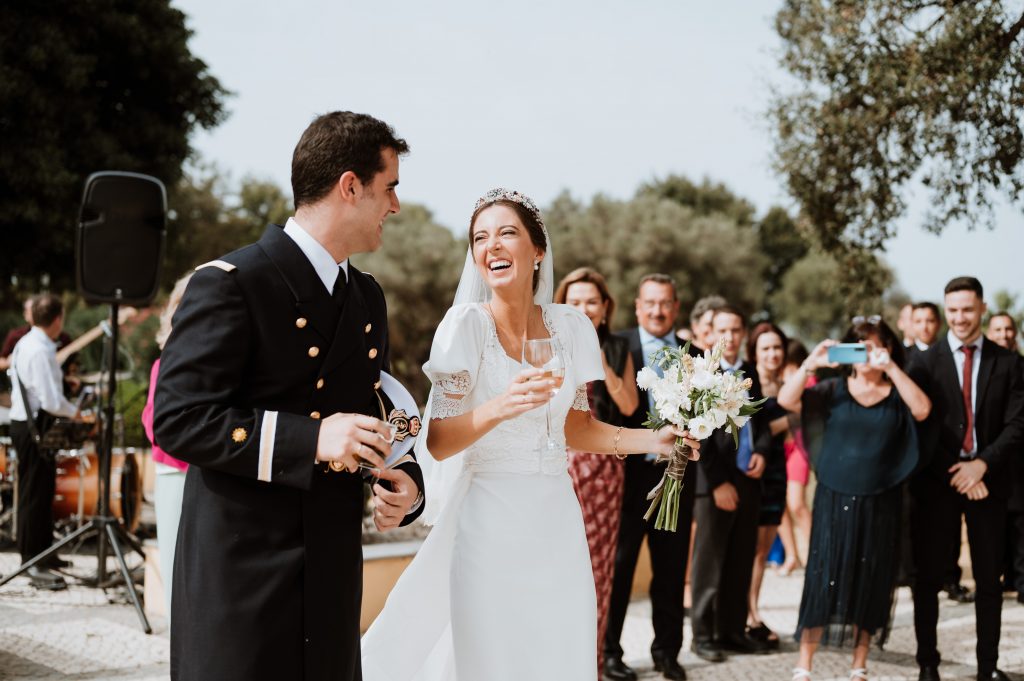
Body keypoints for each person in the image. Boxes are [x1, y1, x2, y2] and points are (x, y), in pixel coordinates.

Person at [361, 189, 699, 681]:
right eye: (480, 238)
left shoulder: (570, 327)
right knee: (493, 653)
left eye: (507, 233)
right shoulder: (466, 326)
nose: (492, 246)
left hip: (556, 516)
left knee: (555, 649)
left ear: (538, 250)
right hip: (487, 517)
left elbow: (577, 426)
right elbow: (438, 440)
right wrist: (501, 406)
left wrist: (652, 440)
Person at [153, 112, 425, 681]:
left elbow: (376, 407)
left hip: (330, 572)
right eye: (389, 187)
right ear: (350, 186)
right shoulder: (231, 282)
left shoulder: (366, 297)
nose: (396, 206)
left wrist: (404, 480)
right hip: (242, 573)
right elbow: (178, 418)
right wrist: (312, 438)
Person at [779, 317, 930, 681]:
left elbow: (923, 409)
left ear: (889, 349)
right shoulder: (831, 389)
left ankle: (859, 664)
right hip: (834, 497)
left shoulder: (897, 391)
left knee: (872, 578)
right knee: (823, 576)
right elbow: (786, 399)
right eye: (859, 346)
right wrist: (812, 362)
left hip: (882, 500)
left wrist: (890, 368)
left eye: (875, 346)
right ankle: (805, 663)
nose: (866, 354)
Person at [907, 277, 1024, 681]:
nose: (959, 318)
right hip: (937, 483)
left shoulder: (1008, 362)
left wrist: (982, 465)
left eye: (967, 310)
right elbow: (921, 426)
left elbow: (1018, 423)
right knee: (928, 579)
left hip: (988, 483)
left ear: (982, 309)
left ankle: (988, 668)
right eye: (953, 310)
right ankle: (927, 665)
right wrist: (957, 471)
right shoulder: (923, 363)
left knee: (989, 581)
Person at [605, 274, 697, 681]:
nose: (658, 311)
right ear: (638, 306)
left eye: (665, 303)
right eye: (651, 303)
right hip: (626, 476)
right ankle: (610, 653)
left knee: (671, 570)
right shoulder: (617, 346)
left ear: (676, 307)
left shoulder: (696, 356)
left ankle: (667, 653)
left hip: (677, 476)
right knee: (619, 567)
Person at [555, 267, 640, 678]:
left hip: (605, 469)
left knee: (597, 570)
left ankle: (590, 667)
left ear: (605, 308)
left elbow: (629, 406)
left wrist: (599, 359)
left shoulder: (619, 347)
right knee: (559, 567)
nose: (584, 309)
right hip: (557, 466)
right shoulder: (546, 342)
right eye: (575, 302)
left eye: (592, 302)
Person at [689, 305, 773, 662]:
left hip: (749, 479)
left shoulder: (749, 372)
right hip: (715, 483)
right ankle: (703, 635)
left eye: (736, 329)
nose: (730, 336)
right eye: (723, 330)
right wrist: (718, 482)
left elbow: (761, 422)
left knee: (740, 559)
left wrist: (763, 452)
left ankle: (733, 631)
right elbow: (699, 434)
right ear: (709, 334)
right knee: (709, 563)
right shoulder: (701, 374)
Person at [7, 293, 80, 590]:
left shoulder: (32, 343)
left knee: (44, 488)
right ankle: (30, 559)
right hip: (31, 426)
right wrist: (76, 412)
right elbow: (50, 400)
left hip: (32, 424)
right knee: (32, 494)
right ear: (58, 319)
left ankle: (45, 552)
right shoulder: (38, 350)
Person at [140, 273, 192, 617]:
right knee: (178, 571)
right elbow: (154, 424)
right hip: (176, 474)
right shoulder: (166, 363)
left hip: (213, 476)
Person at [745, 322, 790, 650]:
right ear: (754, 352)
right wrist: (794, 418)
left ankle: (753, 611)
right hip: (751, 469)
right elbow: (752, 426)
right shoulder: (747, 383)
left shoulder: (788, 385)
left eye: (777, 348)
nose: (772, 354)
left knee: (763, 548)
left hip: (777, 469)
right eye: (766, 348)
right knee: (748, 548)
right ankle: (746, 614)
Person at [987, 312, 1023, 602]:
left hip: (1019, 455)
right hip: (990, 456)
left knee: (1021, 520)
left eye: (1008, 329)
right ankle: (999, 577)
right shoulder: (986, 366)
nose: (1004, 334)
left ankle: (1020, 580)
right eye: (998, 329)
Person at [776, 339, 812, 576]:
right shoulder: (772, 377)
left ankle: (816, 554)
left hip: (800, 446)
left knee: (797, 503)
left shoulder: (809, 380)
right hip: (780, 447)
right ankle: (792, 555)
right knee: (779, 503)